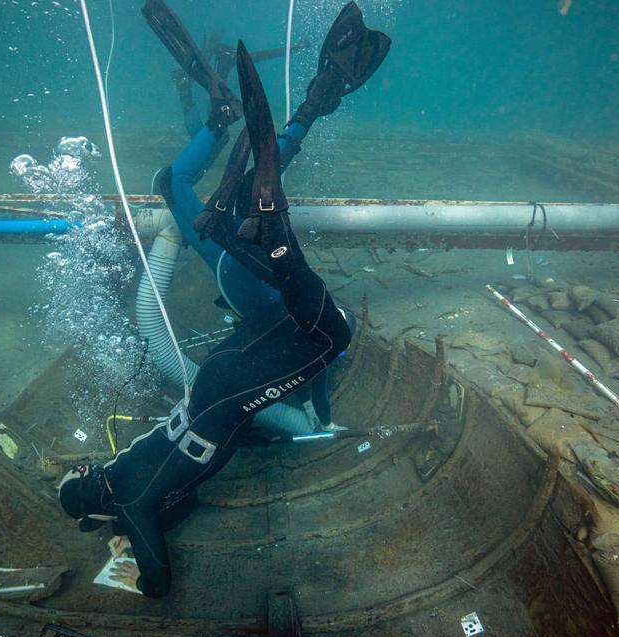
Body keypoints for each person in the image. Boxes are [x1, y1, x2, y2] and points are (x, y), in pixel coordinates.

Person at [58, 40, 360, 599]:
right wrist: (134, 522)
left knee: (329, 331)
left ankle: (270, 236)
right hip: (213, 383)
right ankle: (267, 199)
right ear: (87, 476)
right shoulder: (122, 475)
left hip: (225, 398)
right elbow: (180, 495)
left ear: (96, 514)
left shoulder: (129, 504)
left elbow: (159, 583)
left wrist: (131, 531)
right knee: (295, 313)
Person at [142, 0, 390, 431]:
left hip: (253, 269)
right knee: (185, 183)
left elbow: (305, 366)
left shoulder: (317, 321)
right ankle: (236, 119)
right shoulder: (315, 338)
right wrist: (320, 417)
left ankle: (300, 111)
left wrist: (317, 412)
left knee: (253, 182)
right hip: (235, 268)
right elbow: (288, 367)